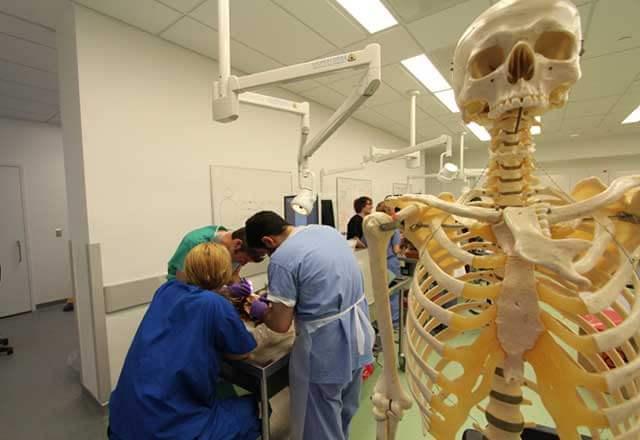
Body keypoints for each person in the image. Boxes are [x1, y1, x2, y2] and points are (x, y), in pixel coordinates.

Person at [108, 242, 261, 440]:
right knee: (256, 408)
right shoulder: (215, 304)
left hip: (123, 419)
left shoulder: (166, 290)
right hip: (168, 429)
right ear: (225, 273)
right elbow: (242, 352)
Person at [245, 211, 374, 440]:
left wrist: (261, 310)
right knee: (344, 408)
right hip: (358, 334)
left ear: (268, 241)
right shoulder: (326, 231)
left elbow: (281, 324)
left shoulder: (283, 259)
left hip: (326, 348)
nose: (269, 256)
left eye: (266, 253)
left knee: (321, 420)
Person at [167, 225, 264, 282]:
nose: (243, 264)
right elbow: (183, 282)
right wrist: (219, 292)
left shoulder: (238, 247)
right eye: (244, 260)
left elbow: (233, 276)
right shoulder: (194, 243)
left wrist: (243, 290)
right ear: (237, 244)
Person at [376, 201, 402, 327]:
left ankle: (381, 322)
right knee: (393, 293)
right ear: (390, 213)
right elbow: (396, 249)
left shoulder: (372, 227)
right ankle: (394, 322)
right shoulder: (393, 227)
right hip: (390, 263)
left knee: (379, 294)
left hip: (376, 263)